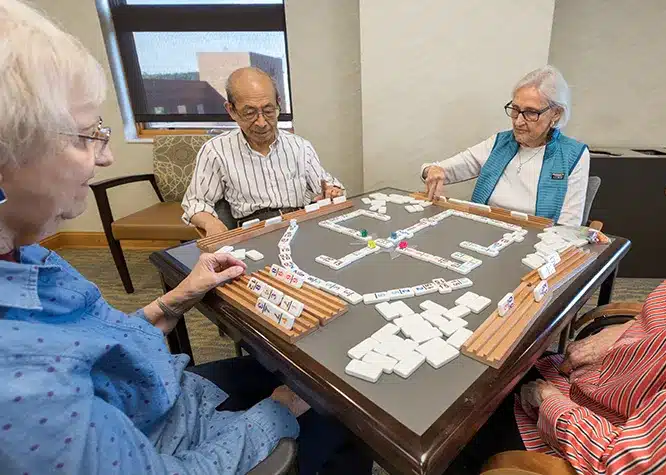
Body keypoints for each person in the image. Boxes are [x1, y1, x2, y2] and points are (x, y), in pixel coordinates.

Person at [0, 2, 371, 474]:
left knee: (309, 363)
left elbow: (106, 345)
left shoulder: (30, 258)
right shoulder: (21, 387)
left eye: (270, 109)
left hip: (176, 389)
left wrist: (173, 302)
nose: (107, 155)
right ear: (231, 111)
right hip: (187, 436)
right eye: (84, 137)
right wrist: (278, 409)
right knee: (345, 412)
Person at [446, 52, 666, 475]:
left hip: (569, 428)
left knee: (452, 430)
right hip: (588, 379)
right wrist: (628, 332)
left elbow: (630, 465)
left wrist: (546, 401)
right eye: (515, 110)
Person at [182, 67, 345, 236]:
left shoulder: (300, 146)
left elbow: (328, 185)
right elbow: (194, 202)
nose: (261, 122)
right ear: (231, 110)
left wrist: (332, 192)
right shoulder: (216, 151)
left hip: (299, 225)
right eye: (250, 113)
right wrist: (211, 223)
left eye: (268, 111)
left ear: (278, 103)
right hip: (252, 232)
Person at [421, 66, 589, 227]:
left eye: (531, 112)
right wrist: (432, 171)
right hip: (484, 231)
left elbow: (568, 227)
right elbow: (436, 169)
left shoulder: (573, 155)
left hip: (537, 244)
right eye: (515, 109)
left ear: (556, 113)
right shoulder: (499, 143)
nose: (518, 121)